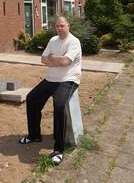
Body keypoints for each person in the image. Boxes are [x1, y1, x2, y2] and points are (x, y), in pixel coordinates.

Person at [18, 16, 82, 165]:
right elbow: (43, 59)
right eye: (58, 26)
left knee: (59, 105)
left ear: (68, 26)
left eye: (62, 25)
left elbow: (66, 62)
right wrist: (56, 60)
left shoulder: (74, 42)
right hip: (51, 79)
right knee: (32, 98)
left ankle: (59, 148)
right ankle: (34, 135)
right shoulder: (53, 40)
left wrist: (53, 59)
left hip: (69, 79)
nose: (60, 28)